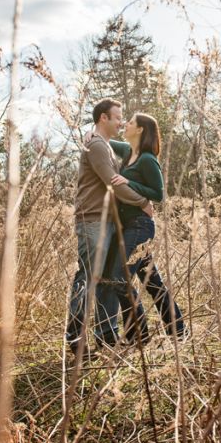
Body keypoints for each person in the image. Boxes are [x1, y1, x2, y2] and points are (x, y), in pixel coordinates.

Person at [68, 98, 153, 357]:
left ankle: (106, 335)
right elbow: (113, 183)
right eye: (117, 117)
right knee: (87, 279)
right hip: (93, 221)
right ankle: (76, 340)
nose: (120, 122)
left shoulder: (102, 144)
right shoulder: (96, 145)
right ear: (103, 118)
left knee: (105, 281)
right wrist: (143, 202)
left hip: (108, 222)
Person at [103, 112, 187, 344]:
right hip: (128, 226)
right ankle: (178, 330)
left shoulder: (147, 159)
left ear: (140, 130)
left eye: (129, 122)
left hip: (140, 226)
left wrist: (131, 183)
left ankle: (138, 336)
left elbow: (158, 194)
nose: (125, 125)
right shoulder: (129, 152)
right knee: (152, 282)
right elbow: (105, 139)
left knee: (119, 277)